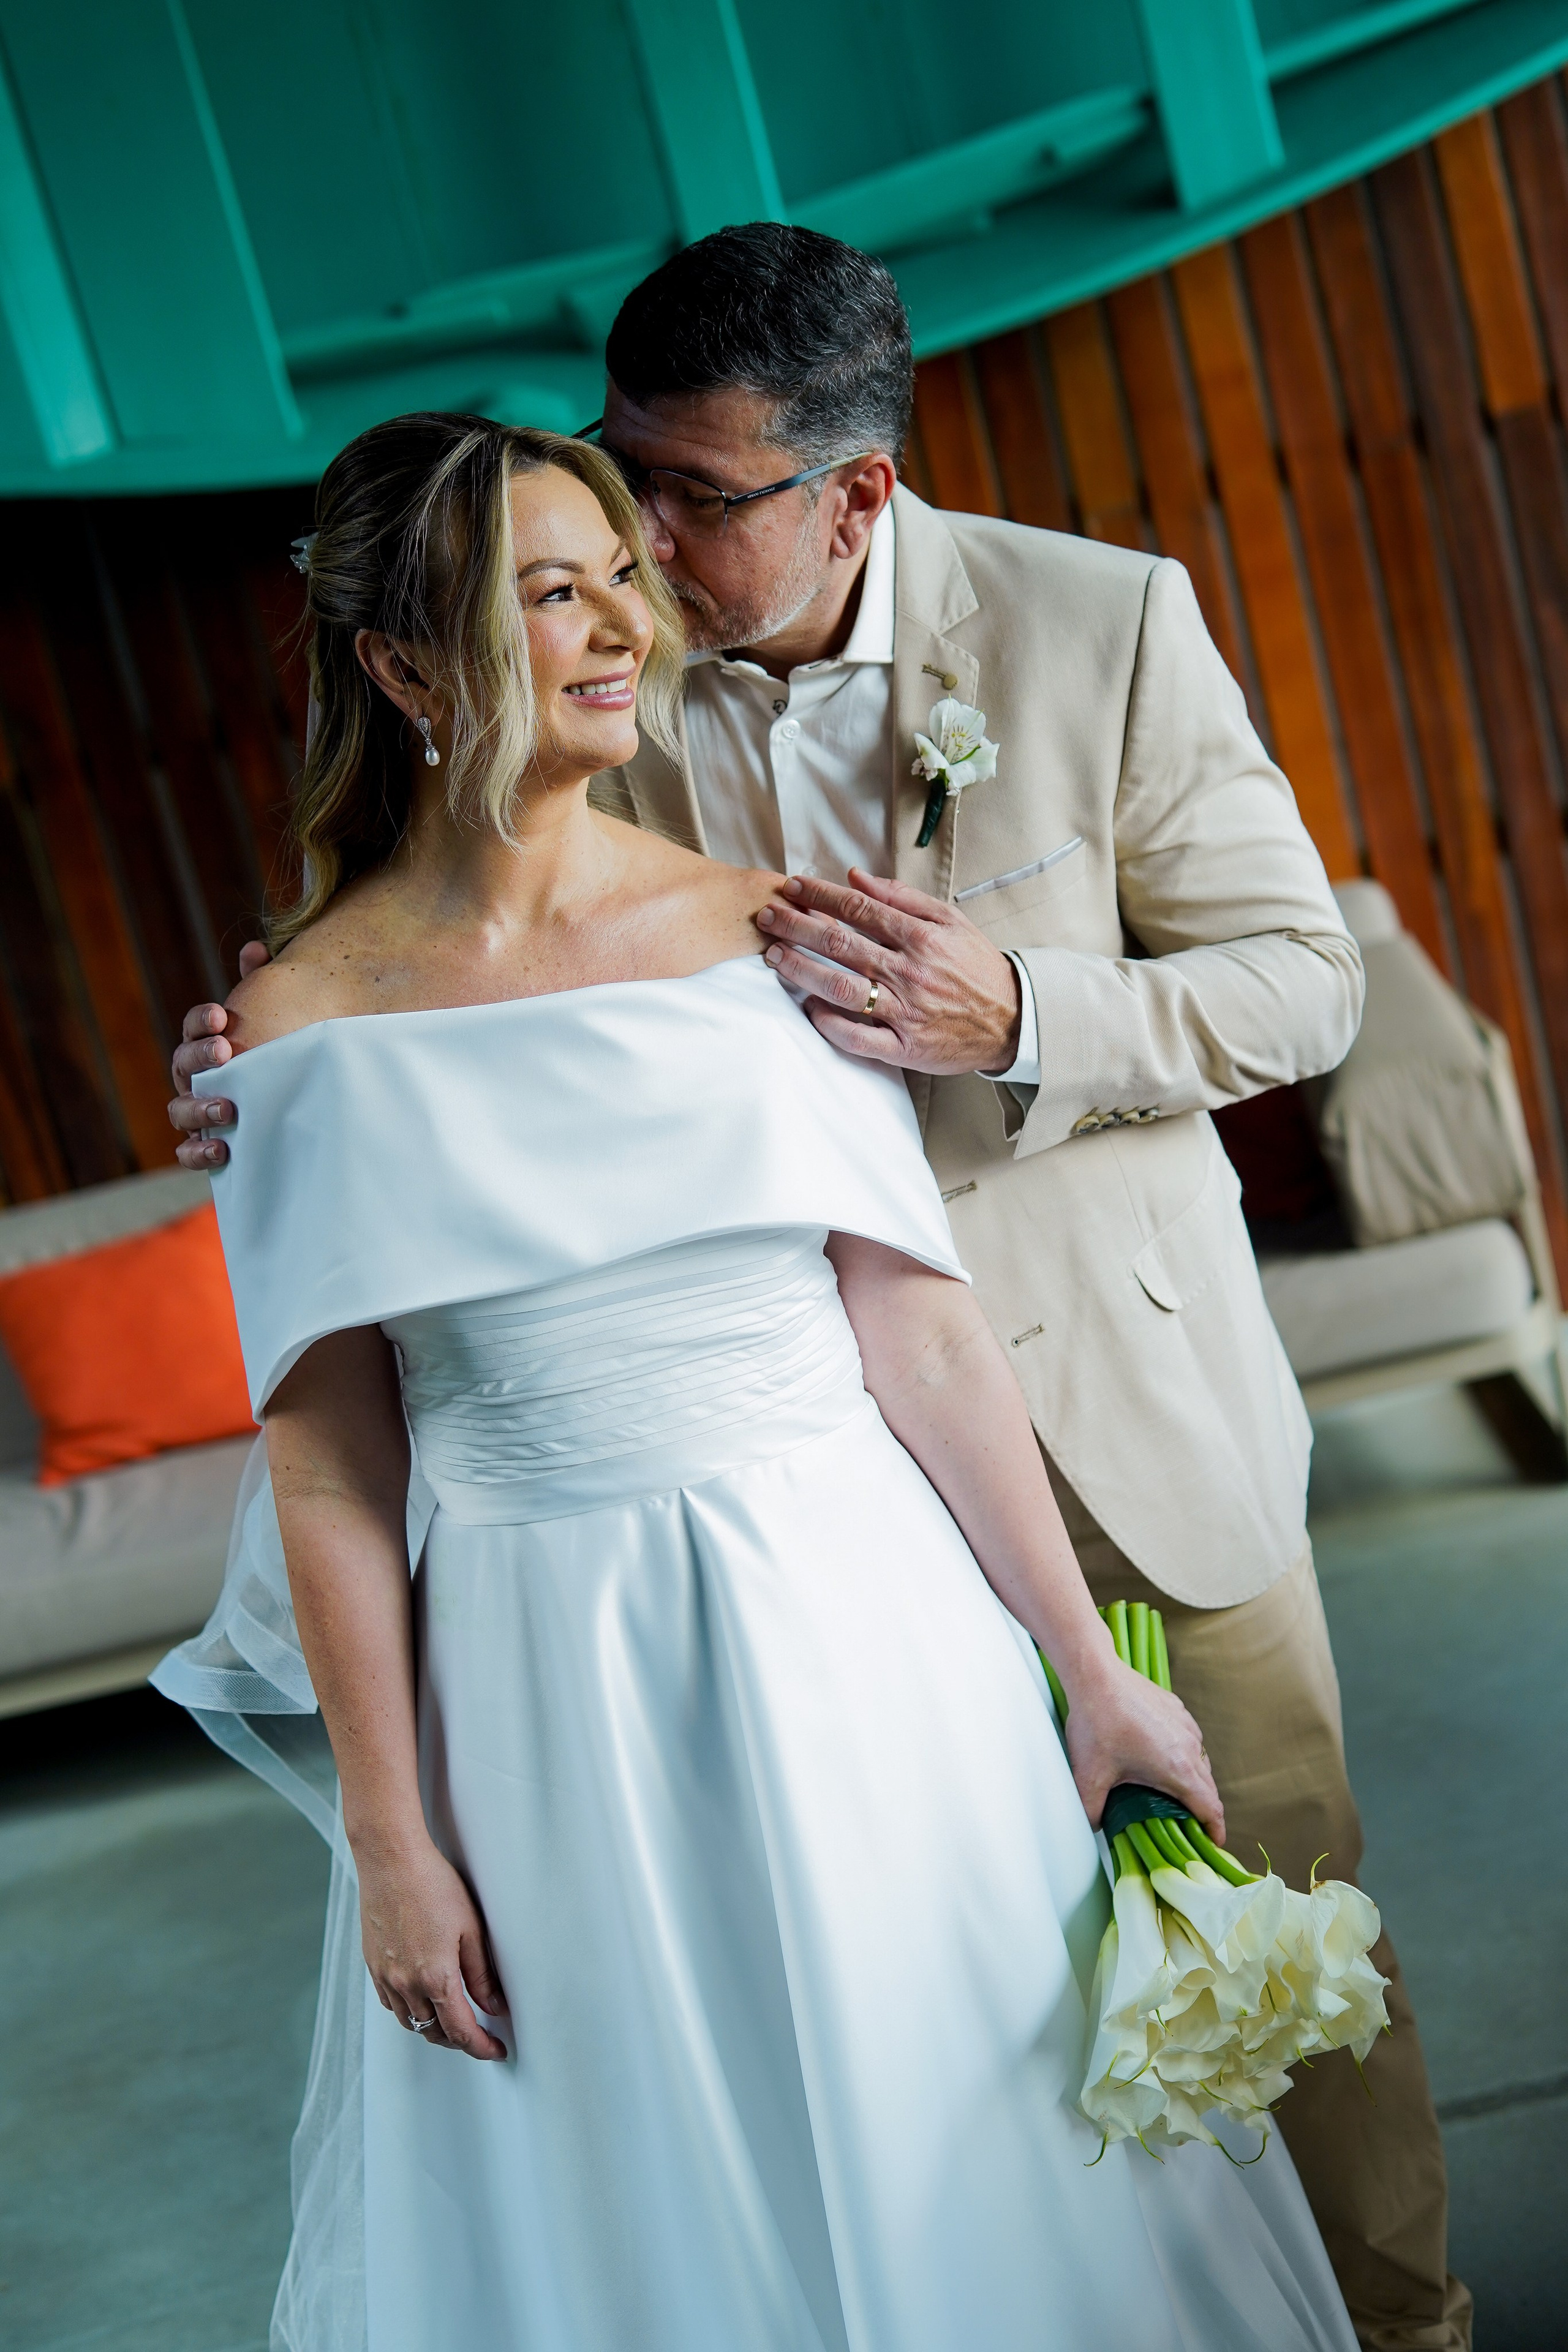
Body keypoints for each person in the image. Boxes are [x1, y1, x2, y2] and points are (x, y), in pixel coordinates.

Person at [169, 228, 1466, 2351]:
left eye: (697, 503)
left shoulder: (1095, 623)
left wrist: (1018, 1007)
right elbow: (447, 980)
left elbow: (1302, 974)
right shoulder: (592, 709)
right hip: (680, 1550)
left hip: (1098, 1412)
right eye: (616, 492)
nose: (644, 560)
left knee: (1279, 1965)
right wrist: (280, 1062)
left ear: (855, 492)